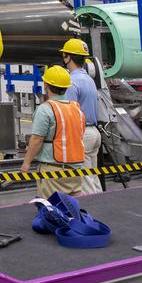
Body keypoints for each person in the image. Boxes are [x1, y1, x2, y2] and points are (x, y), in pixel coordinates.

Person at [20, 65, 86, 199]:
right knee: (72, 212)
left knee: (52, 212)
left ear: (46, 85)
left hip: (53, 171)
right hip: (76, 170)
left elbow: (37, 140)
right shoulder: (76, 109)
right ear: (66, 87)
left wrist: (26, 163)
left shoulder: (45, 109)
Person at [59, 38, 102, 194]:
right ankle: (103, 204)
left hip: (82, 134)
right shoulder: (89, 79)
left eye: (64, 55)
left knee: (84, 181)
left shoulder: (71, 81)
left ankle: (91, 212)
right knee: (92, 177)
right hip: (94, 133)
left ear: (68, 57)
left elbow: (69, 113)